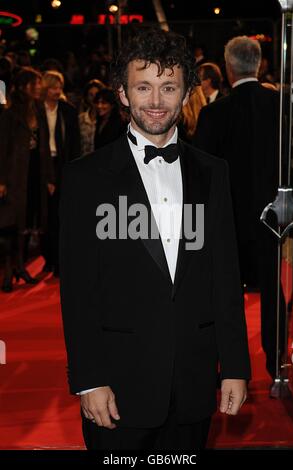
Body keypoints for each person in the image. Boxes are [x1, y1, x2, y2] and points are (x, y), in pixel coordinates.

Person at [59, 28, 250, 451]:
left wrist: (235, 365)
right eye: (143, 87)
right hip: (118, 388)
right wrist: (89, 379)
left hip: (194, 382)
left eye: (168, 87)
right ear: (123, 94)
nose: (156, 101)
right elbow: (78, 291)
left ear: (186, 94)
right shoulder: (85, 179)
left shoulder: (212, 172)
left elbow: (225, 275)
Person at [193, 36, 284, 382]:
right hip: (276, 217)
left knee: (225, 297)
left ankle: (228, 368)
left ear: (229, 69)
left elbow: (200, 170)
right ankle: (278, 367)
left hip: (227, 220)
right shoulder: (280, 106)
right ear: (259, 65)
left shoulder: (214, 113)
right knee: (276, 293)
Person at [0, 67, 55, 292]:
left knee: (25, 222)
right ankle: (8, 271)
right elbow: (2, 149)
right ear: (24, 86)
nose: (39, 86)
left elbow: (44, 145)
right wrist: (1, 180)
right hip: (14, 176)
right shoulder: (9, 113)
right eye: (35, 83)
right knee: (8, 226)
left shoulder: (38, 109)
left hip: (34, 172)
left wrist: (49, 177)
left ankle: (20, 266)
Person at [40, 70, 80, 276]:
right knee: (43, 215)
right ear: (45, 89)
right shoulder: (36, 111)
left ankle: (59, 260)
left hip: (63, 165)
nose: (57, 91)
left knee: (61, 215)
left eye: (59, 88)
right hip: (41, 166)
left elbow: (75, 145)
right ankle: (47, 257)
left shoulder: (68, 112)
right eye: (53, 87)